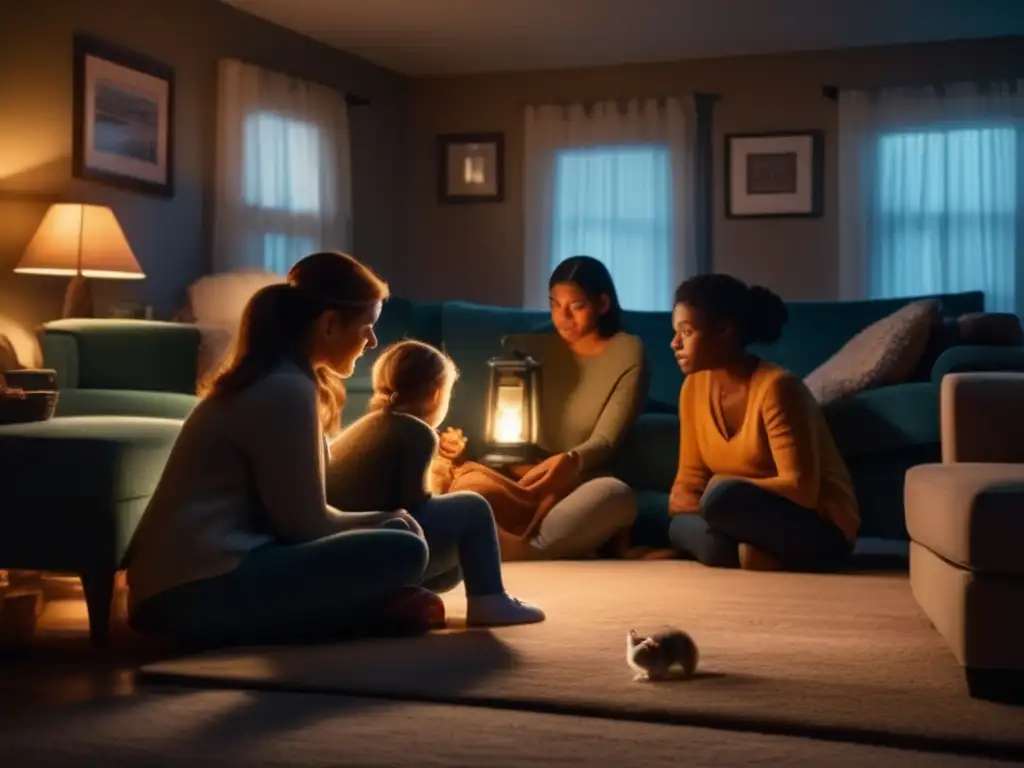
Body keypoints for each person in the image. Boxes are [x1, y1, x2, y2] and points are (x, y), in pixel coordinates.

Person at [126, 252, 440, 648]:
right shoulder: (284, 389)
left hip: (204, 576)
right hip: (191, 590)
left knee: (418, 545)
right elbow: (303, 527)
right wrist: (387, 519)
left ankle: (372, 607)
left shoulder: (283, 380)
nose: (372, 342)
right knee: (404, 548)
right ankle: (365, 612)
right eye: (367, 328)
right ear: (329, 325)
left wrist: (386, 521)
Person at [326, 340, 545, 626]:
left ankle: (395, 600)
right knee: (473, 507)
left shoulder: (367, 427)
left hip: (346, 556)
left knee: (458, 563)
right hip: (376, 550)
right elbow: (414, 502)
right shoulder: (417, 432)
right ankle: (489, 600)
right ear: (436, 394)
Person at [447, 255, 648, 560]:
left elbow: (606, 440)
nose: (563, 316)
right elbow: (495, 427)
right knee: (458, 479)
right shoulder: (529, 349)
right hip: (517, 475)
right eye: (555, 304)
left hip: (577, 480)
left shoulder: (627, 351)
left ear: (603, 304)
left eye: (576, 306)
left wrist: (569, 461)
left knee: (616, 495)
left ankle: (508, 548)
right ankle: (499, 544)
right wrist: (459, 445)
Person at [666, 274, 860, 571]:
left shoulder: (778, 388)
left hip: (817, 524)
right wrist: (699, 499)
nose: (674, 343)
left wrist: (721, 488)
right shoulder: (692, 390)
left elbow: (801, 490)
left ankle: (744, 551)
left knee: (721, 500)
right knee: (678, 525)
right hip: (738, 517)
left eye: (687, 332)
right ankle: (748, 554)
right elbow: (685, 488)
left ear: (724, 330)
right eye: (675, 332)